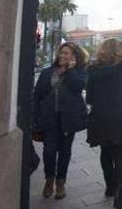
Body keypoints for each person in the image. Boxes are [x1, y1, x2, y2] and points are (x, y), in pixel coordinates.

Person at [86, 38, 122, 208]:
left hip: (101, 117)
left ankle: (110, 185)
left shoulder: (94, 70)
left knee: (105, 152)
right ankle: (119, 193)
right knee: (121, 154)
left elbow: (89, 97)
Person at [33, 42, 88, 200]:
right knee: (49, 151)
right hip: (49, 118)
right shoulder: (47, 72)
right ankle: (49, 179)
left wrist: (70, 70)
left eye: (67, 53)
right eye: (62, 53)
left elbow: (78, 88)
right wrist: (35, 118)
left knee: (65, 152)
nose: (63, 56)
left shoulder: (79, 72)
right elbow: (37, 96)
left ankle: (61, 182)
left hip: (68, 119)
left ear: (74, 57)